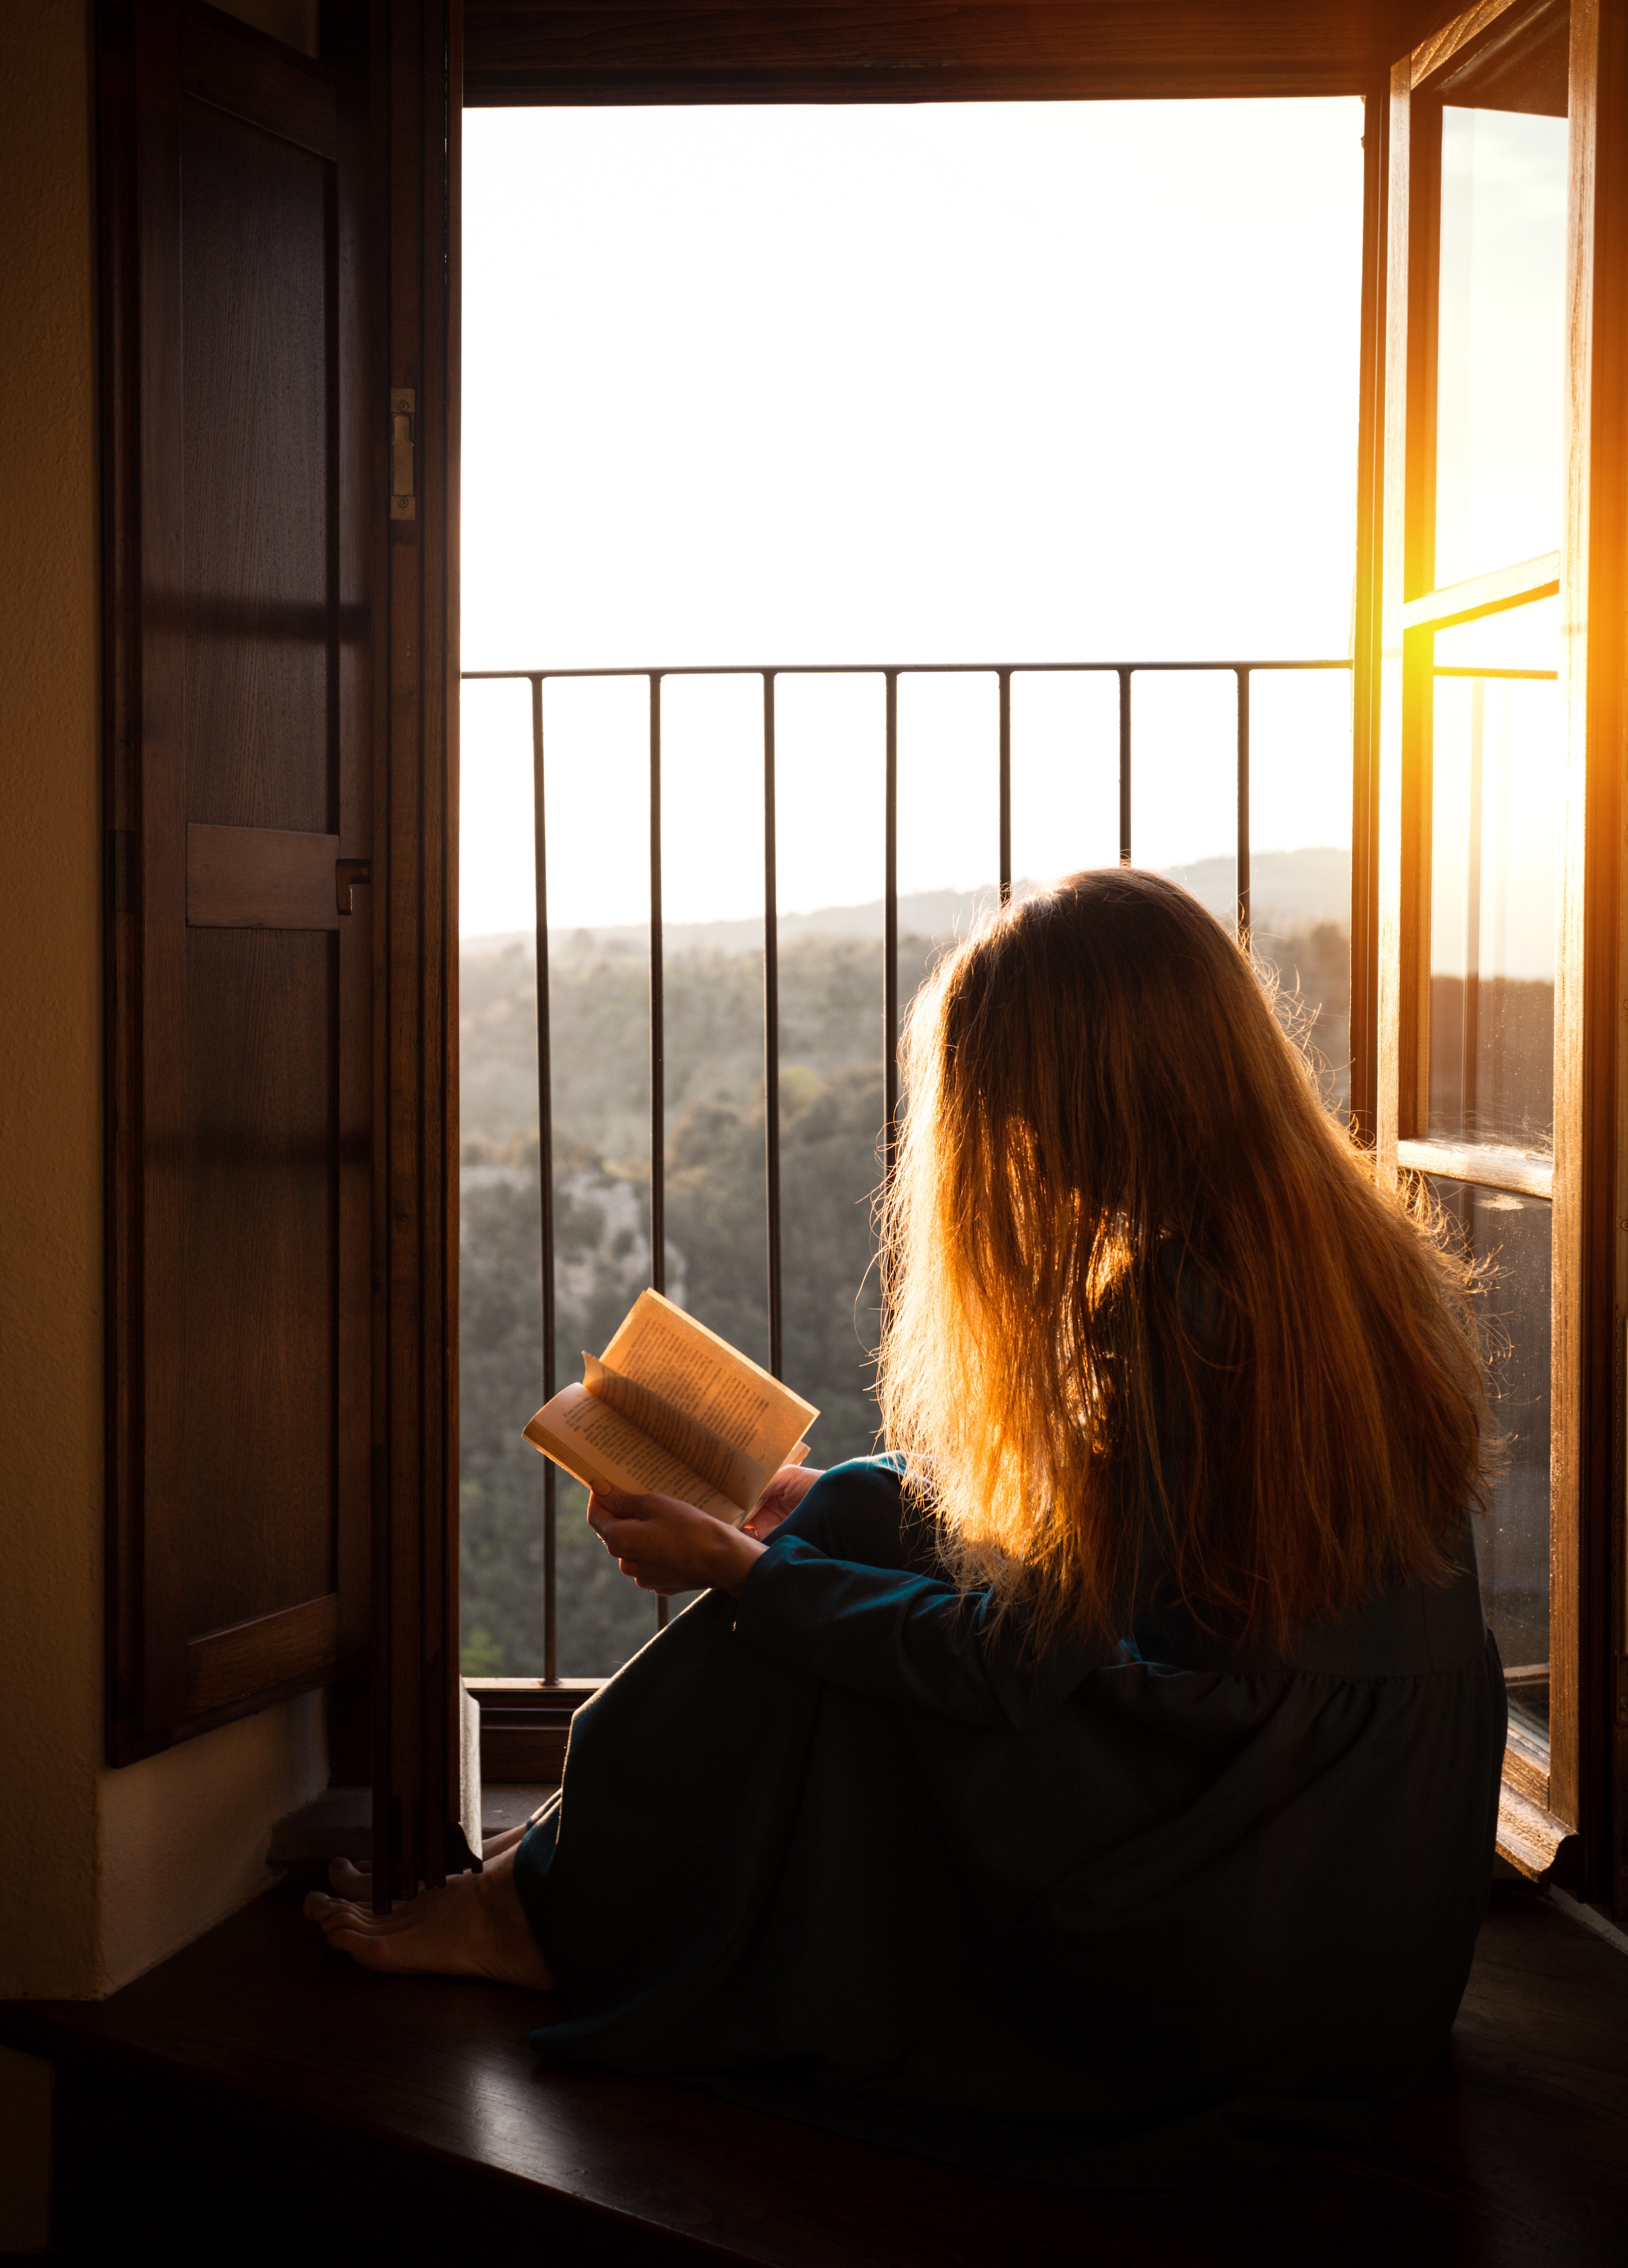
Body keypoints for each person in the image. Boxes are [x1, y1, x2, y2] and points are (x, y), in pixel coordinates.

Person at [306, 869, 1504, 2188]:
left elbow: (1006, 1667)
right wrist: (807, 1511)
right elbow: (1121, 1553)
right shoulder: (1331, 1247)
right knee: (866, 1507)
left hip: (1232, 1905)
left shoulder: (1170, 1308)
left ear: (1086, 1104)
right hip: (1365, 1888)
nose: (1013, 1152)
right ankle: (548, 1883)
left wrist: (742, 1570)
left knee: (795, 1624)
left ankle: (532, 1913)